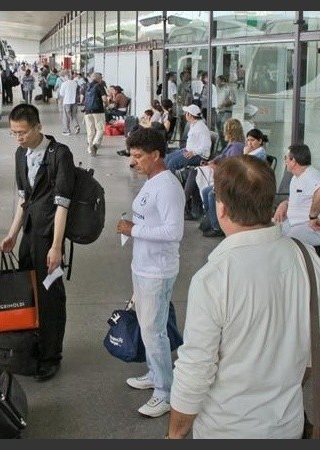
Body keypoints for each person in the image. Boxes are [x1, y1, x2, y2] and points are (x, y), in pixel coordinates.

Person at [167, 155, 320, 439]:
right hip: (288, 425)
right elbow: (313, 347)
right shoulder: (307, 258)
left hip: (226, 429)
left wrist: (175, 434)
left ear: (222, 209)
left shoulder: (214, 278)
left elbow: (195, 371)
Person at [0, 103, 75, 382]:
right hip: (29, 233)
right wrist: (12, 233)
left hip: (49, 234)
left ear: (38, 127)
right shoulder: (21, 154)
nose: (18, 138)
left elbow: (63, 203)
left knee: (50, 295)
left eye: (22, 132)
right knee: (28, 292)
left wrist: (57, 246)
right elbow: (22, 198)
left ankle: (52, 355)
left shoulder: (59, 155)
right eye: (14, 133)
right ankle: (33, 347)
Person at [116, 127, 185, 418]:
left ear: (156, 155)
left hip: (157, 270)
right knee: (148, 327)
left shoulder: (168, 186)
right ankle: (155, 374)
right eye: (132, 155)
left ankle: (165, 392)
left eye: (139, 156)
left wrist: (134, 229)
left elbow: (174, 231)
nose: (133, 162)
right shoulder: (151, 180)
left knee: (154, 331)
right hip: (143, 265)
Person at [273, 143, 320, 247]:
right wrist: (284, 204)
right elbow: (299, 197)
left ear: (293, 161)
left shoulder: (311, 175)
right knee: (268, 233)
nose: (285, 161)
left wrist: (313, 217)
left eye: (286, 158)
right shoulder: (297, 177)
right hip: (296, 223)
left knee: (284, 245)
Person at [163, 104, 211, 172]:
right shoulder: (194, 124)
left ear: (190, 115)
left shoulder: (201, 127)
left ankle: (172, 182)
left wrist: (194, 152)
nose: (185, 115)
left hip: (198, 156)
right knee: (167, 158)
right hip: (188, 151)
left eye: (186, 113)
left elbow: (207, 145)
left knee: (172, 163)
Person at [83, 72, 108, 156]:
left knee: (90, 131)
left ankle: (89, 149)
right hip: (98, 111)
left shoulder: (87, 86)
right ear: (99, 79)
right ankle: (95, 145)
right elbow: (104, 99)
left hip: (87, 111)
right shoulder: (99, 86)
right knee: (100, 129)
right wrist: (107, 105)